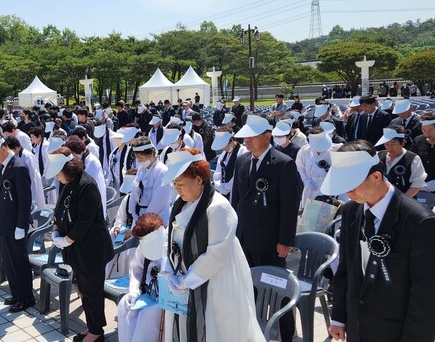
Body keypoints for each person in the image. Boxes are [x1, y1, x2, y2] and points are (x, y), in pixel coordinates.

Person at [322, 140, 435, 342]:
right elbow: (346, 270)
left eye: (352, 187)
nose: (348, 194)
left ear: (376, 177)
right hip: (357, 327)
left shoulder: (420, 222)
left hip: (395, 331)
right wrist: (339, 317)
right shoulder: (351, 211)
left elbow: (427, 297)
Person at [162, 148, 265, 342]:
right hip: (184, 277)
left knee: (217, 329)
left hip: (216, 281)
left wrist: (187, 280)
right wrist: (170, 269)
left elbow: (217, 253)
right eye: (174, 184)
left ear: (199, 180)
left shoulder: (218, 207)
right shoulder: (180, 202)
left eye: (181, 183)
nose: (177, 189)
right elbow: (171, 237)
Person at [231, 114, 301, 338]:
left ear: (267, 136)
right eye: (245, 137)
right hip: (244, 237)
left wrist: (286, 240)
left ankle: (286, 334)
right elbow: (236, 200)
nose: (247, 141)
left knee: (278, 289)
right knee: (246, 286)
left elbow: (290, 206)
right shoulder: (242, 160)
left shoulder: (283, 163)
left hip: (270, 240)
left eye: (252, 136)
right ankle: (252, 330)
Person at [47, 147, 114, 342]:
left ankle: (96, 331)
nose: (56, 178)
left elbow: (85, 220)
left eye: (58, 173)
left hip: (91, 249)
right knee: (83, 289)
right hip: (76, 249)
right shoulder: (67, 183)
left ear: (67, 168)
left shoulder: (87, 185)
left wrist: (66, 239)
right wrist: (56, 230)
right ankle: (91, 325)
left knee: (92, 290)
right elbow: (59, 210)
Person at [0, 136, 35, 312]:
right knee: (9, 261)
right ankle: (16, 294)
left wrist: (21, 226)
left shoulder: (18, 167)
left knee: (19, 261)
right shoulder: (5, 165)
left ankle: (26, 297)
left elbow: (25, 200)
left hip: (14, 225)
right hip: (4, 222)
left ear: (3, 149)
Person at [116, 213, 166, 342]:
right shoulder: (144, 246)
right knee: (124, 305)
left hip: (163, 298)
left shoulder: (169, 245)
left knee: (147, 316)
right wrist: (134, 291)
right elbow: (136, 269)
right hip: (146, 293)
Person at [128, 136, 171, 225]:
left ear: (151, 154)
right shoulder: (141, 169)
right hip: (139, 216)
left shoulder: (161, 171)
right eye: (137, 158)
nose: (139, 161)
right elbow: (135, 190)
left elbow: (158, 201)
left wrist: (145, 220)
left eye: (141, 158)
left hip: (155, 218)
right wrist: (132, 212)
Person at [296, 127, 342, 209]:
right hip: (311, 186)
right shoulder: (305, 150)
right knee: (308, 213)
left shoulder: (335, 149)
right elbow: (300, 167)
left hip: (328, 186)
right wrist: (306, 181)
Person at [375, 126, 426, 198]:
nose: (389, 147)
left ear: (402, 142)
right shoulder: (378, 155)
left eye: (393, 143)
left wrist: (402, 200)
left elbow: (417, 183)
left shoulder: (413, 159)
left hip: (404, 201)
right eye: (386, 143)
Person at [212, 127, 247, 202]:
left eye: (224, 145)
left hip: (238, 193)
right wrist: (220, 186)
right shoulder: (223, 155)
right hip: (224, 192)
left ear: (231, 140)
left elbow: (239, 176)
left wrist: (227, 187)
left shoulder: (243, 153)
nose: (223, 148)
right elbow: (217, 174)